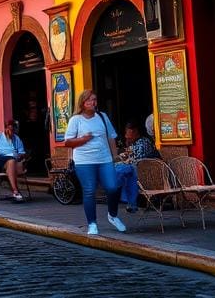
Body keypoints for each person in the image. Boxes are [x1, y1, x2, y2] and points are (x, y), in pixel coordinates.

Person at [64, 90, 125, 235]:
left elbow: (111, 138)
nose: (93, 102)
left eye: (95, 100)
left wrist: (114, 157)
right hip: (84, 161)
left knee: (113, 187)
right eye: (89, 100)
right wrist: (83, 139)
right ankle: (92, 223)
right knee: (89, 191)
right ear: (82, 103)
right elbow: (67, 142)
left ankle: (112, 215)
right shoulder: (76, 120)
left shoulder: (102, 117)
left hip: (104, 159)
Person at [115, 120, 161, 212]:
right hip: (140, 170)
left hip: (149, 172)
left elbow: (137, 162)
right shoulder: (135, 143)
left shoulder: (143, 143)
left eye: (128, 133)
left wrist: (125, 161)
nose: (126, 136)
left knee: (124, 171)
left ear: (135, 132)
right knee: (119, 169)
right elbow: (131, 159)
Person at [0, 119, 27, 202]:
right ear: (6, 128)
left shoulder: (17, 139)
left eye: (12, 130)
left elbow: (22, 153)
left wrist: (18, 156)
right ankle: (16, 191)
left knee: (11, 161)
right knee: (11, 161)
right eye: (9, 129)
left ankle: (15, 192)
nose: (10, 132)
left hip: (10, 162)